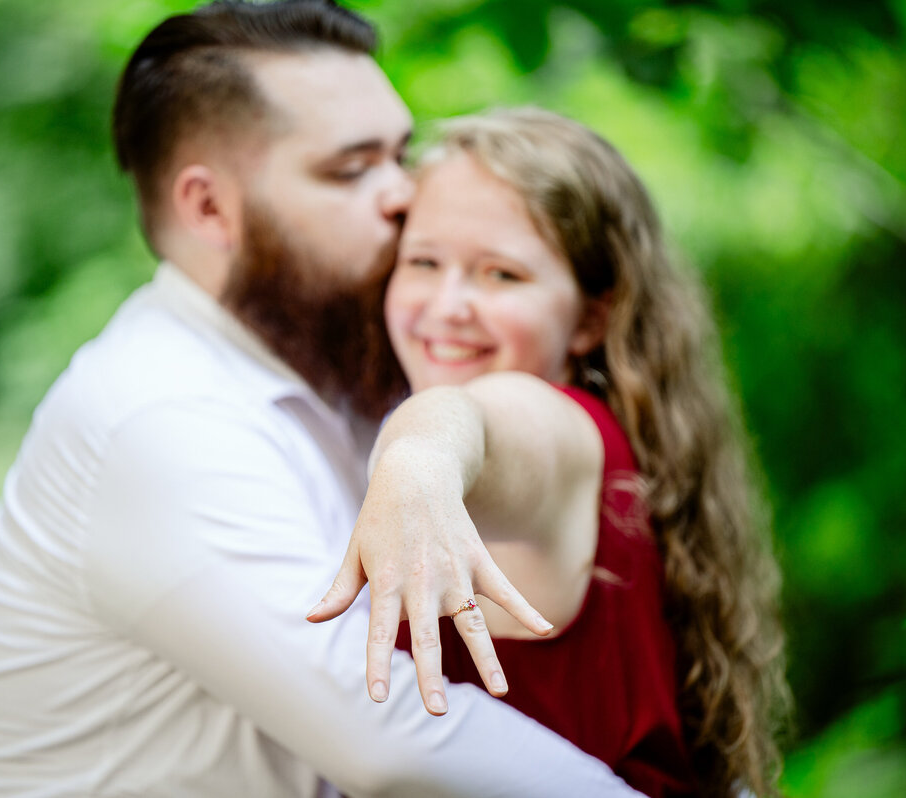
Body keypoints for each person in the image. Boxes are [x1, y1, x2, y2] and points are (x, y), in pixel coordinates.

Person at [0, 3, 646, 796]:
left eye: (399, 154)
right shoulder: (156, 416)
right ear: (210, 208)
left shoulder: (345, 356)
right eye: (352, 169)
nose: (402, 193)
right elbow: (391, 737)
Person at [309, 109, 790, 797]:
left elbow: (475, 420)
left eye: (501, 275)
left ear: (592, 318)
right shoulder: (619, 453)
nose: (447, 305)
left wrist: (418, 459)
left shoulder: (561, 435)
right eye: (423, 262)